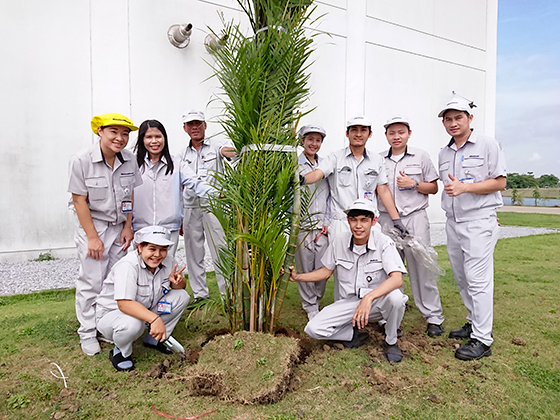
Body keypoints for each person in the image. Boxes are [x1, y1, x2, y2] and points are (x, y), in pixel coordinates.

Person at [300, 116, 407, 301]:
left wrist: (396, 219)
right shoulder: (335, 157)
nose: (358, 134)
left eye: (363, 130)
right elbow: (318, 173)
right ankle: (344, 311)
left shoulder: (376, 160)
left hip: (369, 222)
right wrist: (302, 179)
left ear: (370, 134)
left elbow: (382, 189)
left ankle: (376, 310)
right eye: (354, 130)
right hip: (341, 223)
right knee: (343, 272)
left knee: (375, 267)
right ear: (347, 133)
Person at [289, 199, 408, 363]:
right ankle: (352, 335)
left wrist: (369, 298)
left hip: (377, 302)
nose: (358, 226)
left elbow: (397, 279)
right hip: (349, 303)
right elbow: (325, 272)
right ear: (348, 221)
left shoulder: (384, 242)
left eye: (364, 220)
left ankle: (391, 341)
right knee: (313, 329)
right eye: (354, 219)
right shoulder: (339, 241)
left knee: (397, 298)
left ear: (373, 221)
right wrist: (298, 277)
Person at [437, 95, 507, 360]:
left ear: (470, 119)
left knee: (478, 280)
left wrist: (465, 187)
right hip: (453, 222)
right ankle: (472, 322)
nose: (453, 123)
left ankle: (482, 339)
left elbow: (499, 182)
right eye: (448, 119)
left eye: (458, 118)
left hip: (478, 221)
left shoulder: (488, 145)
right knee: (462, 278)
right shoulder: (444, 152)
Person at [68, 113, 143, 356]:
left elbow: (130, 195)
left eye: (125, 133)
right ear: (99, 131)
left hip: (120, 226)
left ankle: (104, 326)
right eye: (114, 132)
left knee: (115, 280)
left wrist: (128, 226)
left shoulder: (129, 159)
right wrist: (92, 237)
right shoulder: (81, 160)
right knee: (91, 281)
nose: (120, 138)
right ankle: (87, 332)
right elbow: (79, 201)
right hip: (95, 225)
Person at [378, 116, 445, 337]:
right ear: (386, 135)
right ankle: (391, 315)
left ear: (409, 133)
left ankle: (433, 317)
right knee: (389, 268)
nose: (396, 137)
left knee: (421, 268)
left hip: (415, 218)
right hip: (387, 220)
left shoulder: (421, 156)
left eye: (401, 132)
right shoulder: (379, 160)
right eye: (392, 133)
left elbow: (434, 188)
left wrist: (413, 184)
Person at [96, 226, 190, 371]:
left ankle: (154, 339)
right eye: (152, 249)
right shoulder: (128, 265)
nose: (158, 255)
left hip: (145, 309)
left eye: (163, 249)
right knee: (133, 324)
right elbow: (124, 304)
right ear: (140, 247)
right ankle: (121, 352)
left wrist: (178, 281)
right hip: (113, 315)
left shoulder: (169, 261)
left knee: (182, 296)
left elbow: (180, 288)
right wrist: (154, 319)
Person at [177, 109, 235, 304]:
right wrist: (179, 217)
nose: (195, 127)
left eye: (198, 123)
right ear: (184, 128)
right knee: (193, 252)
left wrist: (235, 150)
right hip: (190, 206)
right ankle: (200, 295)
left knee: (220, 249)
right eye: (190, 124)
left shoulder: (216, 145)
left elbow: (228, 152)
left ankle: (228, 295)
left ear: (205, 125)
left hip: (214, 206)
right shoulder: (180, 154)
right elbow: (179, 185)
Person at [133, 119, 214, 257]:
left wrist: (220, 194)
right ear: (142, 139)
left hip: (168, 230)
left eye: (158, 136)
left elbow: (196, 183)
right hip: (141, 229)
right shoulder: (133, 164)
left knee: (166, 270)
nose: (154, 141)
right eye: (149, 137)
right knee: (140, 271)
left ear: (164, 138)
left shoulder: (176, 163)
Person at [295, 125, 331, 321]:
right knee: (305, 267)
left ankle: (316, 298)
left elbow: (330, 196)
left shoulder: (325, 165)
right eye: (310, 139)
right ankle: (310, 305)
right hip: (301, 226)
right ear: (302, 140)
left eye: (318, 140)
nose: (314, 144)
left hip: (322, 226)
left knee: (322, 267)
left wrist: (328, 220)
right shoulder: (293, 164)